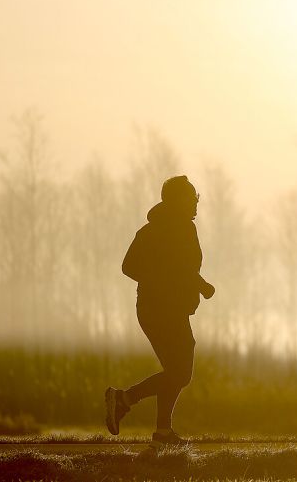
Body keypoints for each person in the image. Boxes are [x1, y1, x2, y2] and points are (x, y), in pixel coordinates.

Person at [104, 175, 216, 447]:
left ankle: (160, 430)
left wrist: (195, 284)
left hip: (164, 309)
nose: (196, 203)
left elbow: (176, 269)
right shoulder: (166, 230)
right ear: (178, 200)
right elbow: (138, 267)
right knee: (180, 373)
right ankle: (126, 400)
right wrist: (185, 284)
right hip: (160, 309)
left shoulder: (168, 229)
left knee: (176, 371)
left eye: (196, 197)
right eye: (192, 197)